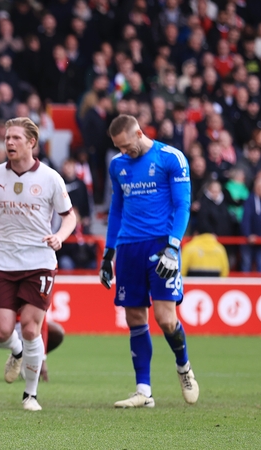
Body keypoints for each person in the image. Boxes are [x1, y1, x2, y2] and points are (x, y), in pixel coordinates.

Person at [0, 117, 76, 412]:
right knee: (1, 330)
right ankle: (16, 353)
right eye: (7, 138)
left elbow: (70, 216)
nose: (9, 143)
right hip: (3, 262)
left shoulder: (51, 178)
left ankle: (30, 395)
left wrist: (60, 236)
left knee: (30, 329)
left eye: (16, 138)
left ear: (31, 142)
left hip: (39, 262)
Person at [99, 114, 199, 409]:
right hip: (129, 248)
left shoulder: (171, 158)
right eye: (118, 148)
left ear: (139, 133)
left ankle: (183, 367)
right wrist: (108, 253)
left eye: (127, 146)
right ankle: (144, 391)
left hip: (161, 246)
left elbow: (183, 205)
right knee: (134, 319)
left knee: (166, 319)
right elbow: (116, 209)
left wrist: (172, 247)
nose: (124, 153)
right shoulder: (117, 165)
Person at [0, 263, 65, 382]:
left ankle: (24, 361)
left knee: (56, 332)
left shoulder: (33, 270)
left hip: (21, 325)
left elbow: (41, 317)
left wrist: (42, 358)